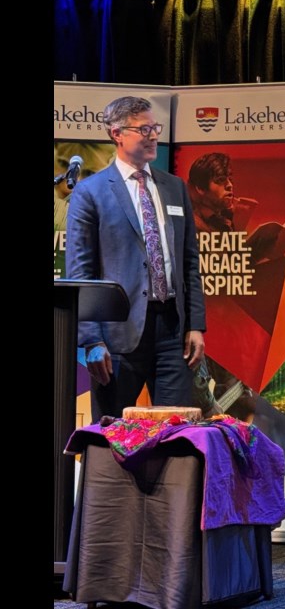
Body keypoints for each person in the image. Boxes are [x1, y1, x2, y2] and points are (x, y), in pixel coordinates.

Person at [66, 96, 206, 420]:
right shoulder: (91, 192)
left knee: (175, 432)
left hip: (173, 333)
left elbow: (189, 262)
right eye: (143, 129)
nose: (153, 135)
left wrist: (196, 325)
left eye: (154, 127)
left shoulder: (174, 188)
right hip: (117, 337)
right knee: (112, 436)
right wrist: (90, 341)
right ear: (117, 133)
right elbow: (81, 273)